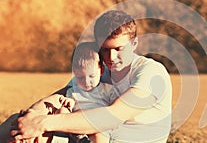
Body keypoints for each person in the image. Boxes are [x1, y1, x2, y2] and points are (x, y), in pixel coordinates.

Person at [10, 10, 172, 143]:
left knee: (41, 131)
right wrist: (30, 116)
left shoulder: (151, 73)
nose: (111, 57)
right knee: (18, 126)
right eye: (105, 49)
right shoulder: (99, 68)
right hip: (87, 137)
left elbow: (112, 116)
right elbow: (62, 94)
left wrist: (41, 123)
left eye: (118, 49)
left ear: (134, 44)